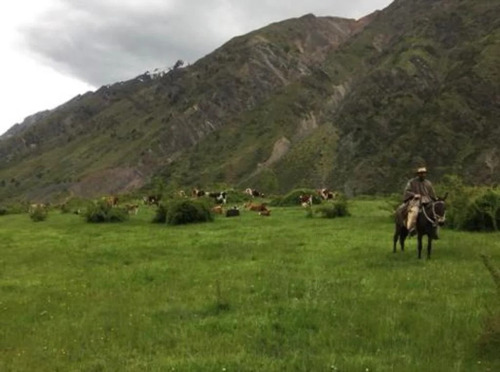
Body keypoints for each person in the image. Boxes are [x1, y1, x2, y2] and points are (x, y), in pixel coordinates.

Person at [402, 167, 437, 236]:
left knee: (435, 212)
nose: (423, 175)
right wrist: (414, 195)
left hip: (427, 201)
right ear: (418, 174)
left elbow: (432, 193)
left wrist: (436, 199)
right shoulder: (412, 182)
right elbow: (407, 191)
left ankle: (434, 231)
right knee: (414, 212)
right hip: (415, 201)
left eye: (424, 173)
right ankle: (411, 229)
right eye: (421, 173)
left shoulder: (428, 183)